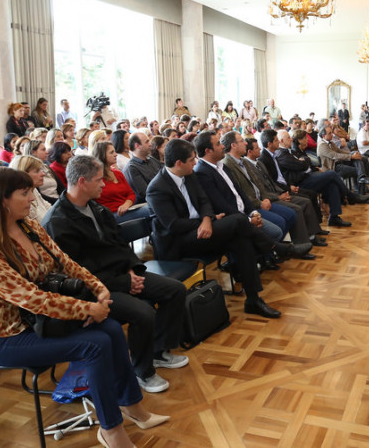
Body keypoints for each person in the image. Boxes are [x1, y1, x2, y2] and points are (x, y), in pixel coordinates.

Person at [0, 168, 169, 447]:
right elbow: (31, 298)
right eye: (24, 194)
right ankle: (111, 430)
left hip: (43, 320)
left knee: (110, 328)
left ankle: (132, 406)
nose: (31, 199)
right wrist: (86, 309)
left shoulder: (29, 227)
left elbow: (66, 263)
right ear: (1, 199)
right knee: (95, 344)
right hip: (8, 335)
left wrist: (99, 288)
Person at [43, 156, 188, 393]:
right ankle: (142, 371)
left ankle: (158, 350)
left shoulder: (96, 207)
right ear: (82, 181)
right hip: (91, 290)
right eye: (99, 180)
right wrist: (123, 281)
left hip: (119, 275)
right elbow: (79, 272)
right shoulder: (58, 222)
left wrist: (132, 270)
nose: (104, 185)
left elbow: (119, 244)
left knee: (175, 290)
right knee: (143, 313)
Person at [146, 139, 281, 318]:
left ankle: (253, 300)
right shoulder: (157, 188)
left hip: (202, 232)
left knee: (242, 240)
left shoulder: (189, 174)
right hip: (180, 242)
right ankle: (274, 246)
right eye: (192, 160)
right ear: (179, 163)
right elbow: (174, 225)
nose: (195, 163)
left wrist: (207, 219)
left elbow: (204, 201)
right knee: (238, 221)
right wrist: (207, 220)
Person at [192, 131, 312, 259]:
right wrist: (252, 214)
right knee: (278, 226)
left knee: (291, 214)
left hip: (250, 206)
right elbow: (222, 204)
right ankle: (272, 253)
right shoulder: (209, 170)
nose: (222, 146)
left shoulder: (224, 165)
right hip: (236, 215)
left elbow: (247, 189)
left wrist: (254, 211)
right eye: (218, 144)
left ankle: (272, 253)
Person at [8, 155, 53, 222]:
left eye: (41, 170)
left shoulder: (34, 190)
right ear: (24, 174)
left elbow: (50, 209)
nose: (43, 174)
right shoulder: (19, 199)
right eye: (37, 171)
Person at [122, 132, 163, 204]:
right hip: (149, 203)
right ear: (137, 145)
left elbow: (165, 176)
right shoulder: (131, 168)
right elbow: (145, 193)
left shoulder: (151, 159)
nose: (150, 144)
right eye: (147, 142)